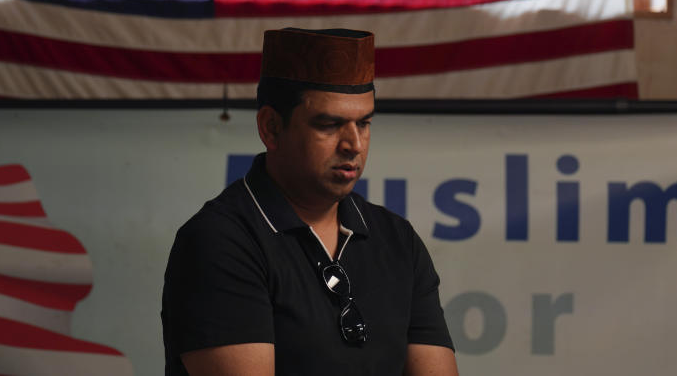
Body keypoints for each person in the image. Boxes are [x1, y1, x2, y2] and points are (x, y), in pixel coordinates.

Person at [162, 28, 458, 375]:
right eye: (330, 125)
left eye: (363, 123)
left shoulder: (398, 240)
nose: (354, 144)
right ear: (271, 128)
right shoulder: (220, 241)